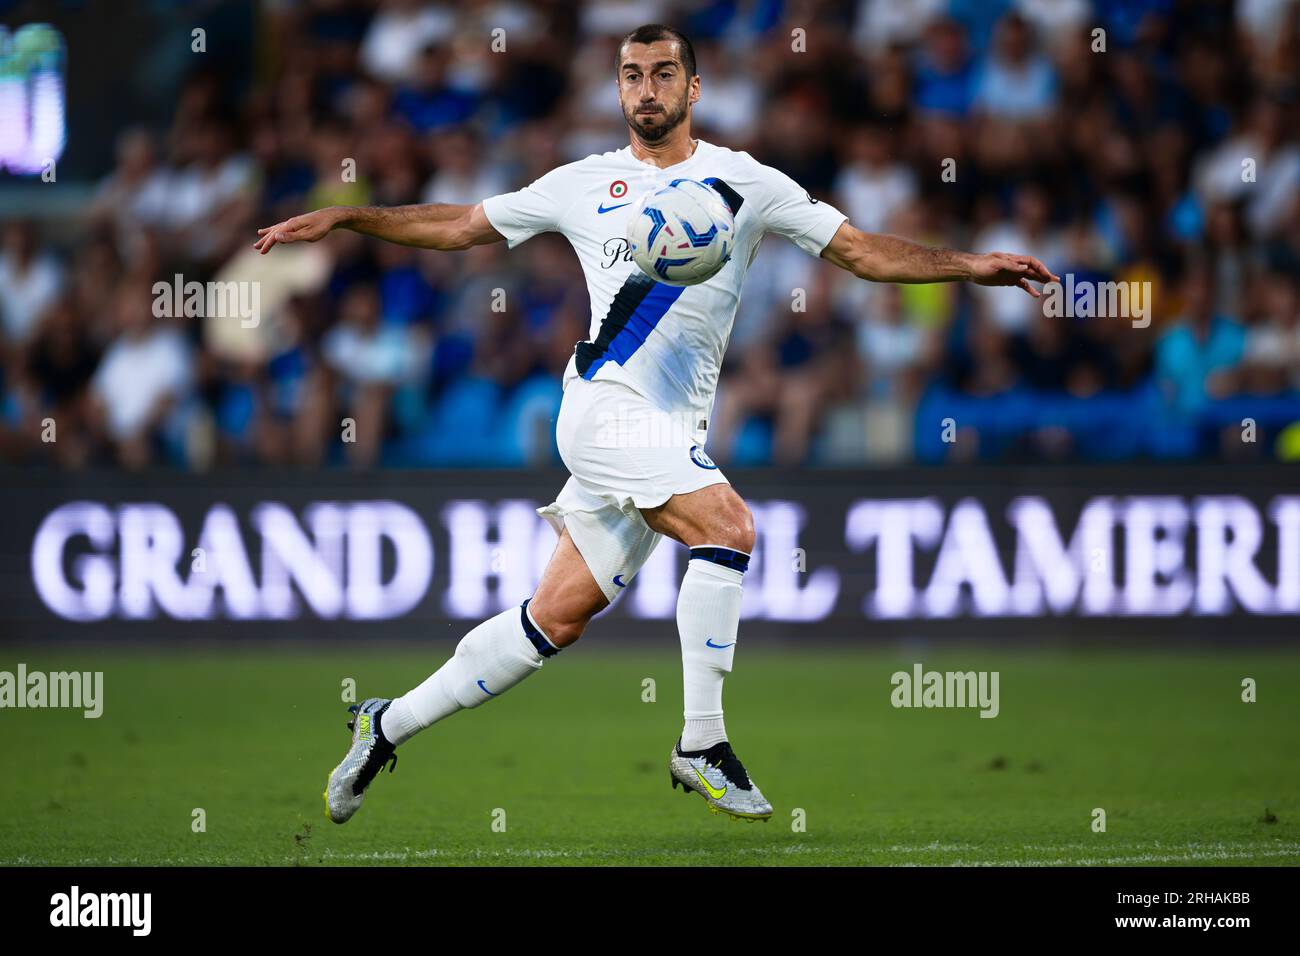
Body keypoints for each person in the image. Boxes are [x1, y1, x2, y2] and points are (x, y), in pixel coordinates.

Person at [255, 24, 1056, 824]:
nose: (647, 89)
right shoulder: (580, 182)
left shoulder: (747, 184)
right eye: (632, 74)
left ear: (694, 88)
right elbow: (460, 226)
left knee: (555, 618)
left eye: (664, 73)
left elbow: (862, 253)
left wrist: (972, 265)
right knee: (730, 527)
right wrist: (351, 218)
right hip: (604, 406)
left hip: (671, 427)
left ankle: (383, 725)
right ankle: (702, 743)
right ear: (617, 89)